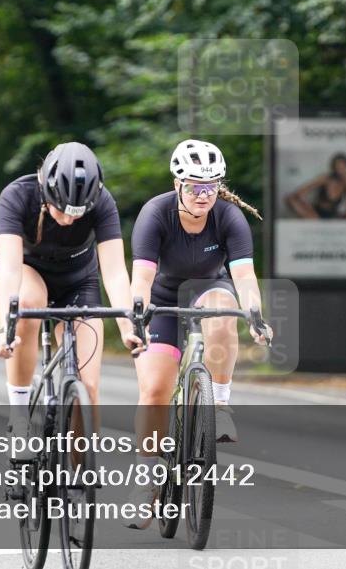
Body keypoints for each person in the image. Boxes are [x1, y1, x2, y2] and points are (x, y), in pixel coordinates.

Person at [123, 139, 272, 528]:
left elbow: (244, 276)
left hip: (209, 288)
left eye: (210, 187)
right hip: (163, 299)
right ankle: (145, 480)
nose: (203, 195)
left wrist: (255, 313)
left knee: (224, 315)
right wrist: (137, 313)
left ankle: (219, 405)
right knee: (154, 389)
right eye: (194, 187)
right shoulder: (155, 214)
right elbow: (141, 276)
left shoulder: (229, 217)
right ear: (177, 184)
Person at [0, 142, 141, 454]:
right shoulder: (17, 196)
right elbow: (9, 269)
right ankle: (19, 417)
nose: (69, 220)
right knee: (31, 301)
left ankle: (77, 475)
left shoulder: (102, 202)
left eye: (78, 213)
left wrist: (129, 327)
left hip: (78, 281)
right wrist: (6, 328)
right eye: (61, 210)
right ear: (45, 188)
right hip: (28, 272)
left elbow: (113, 271)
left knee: (89, 387)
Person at [285, 152, 346, 219]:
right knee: (290, 198)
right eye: (337, 166)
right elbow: (299, 192)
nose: (340, 169)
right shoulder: (325, 178)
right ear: (333, 167)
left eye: (342, 167)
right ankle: (315, 220)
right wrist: (308, 207)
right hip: (316, 214)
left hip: (333, 215)